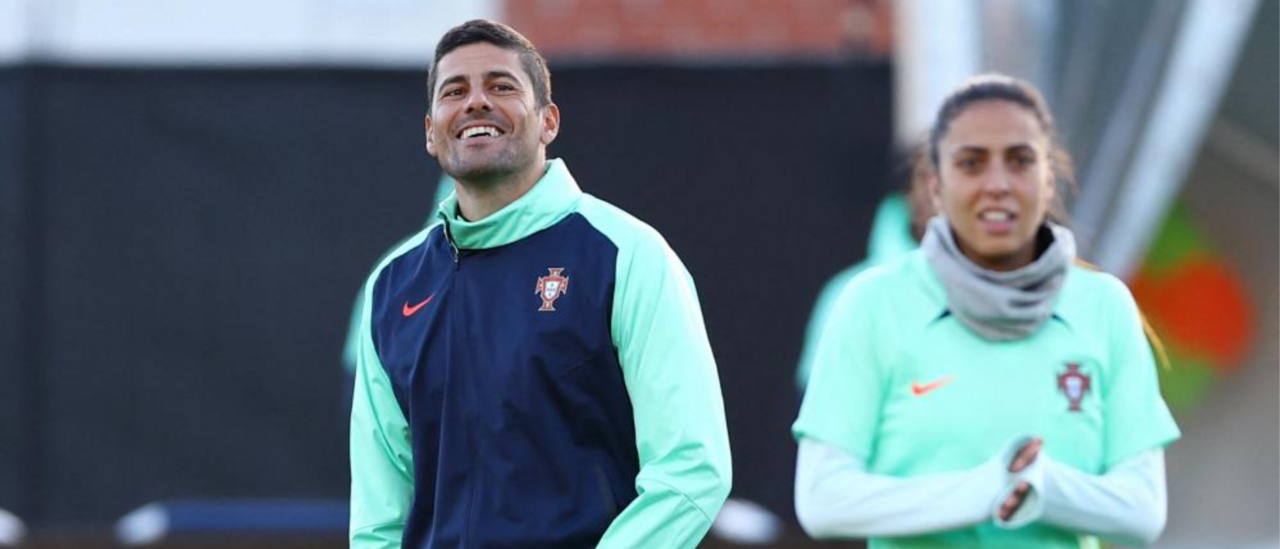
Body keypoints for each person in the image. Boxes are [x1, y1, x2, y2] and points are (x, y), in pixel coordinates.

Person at [348, 19, 732, 549]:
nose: (476, 102)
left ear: (548, 121)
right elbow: (378, 518)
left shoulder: (628, 256)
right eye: (454, 91)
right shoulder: (392, 285)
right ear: (431, 132)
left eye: (501, 86)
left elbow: (691, 469)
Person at [792, 74, 1180, 548]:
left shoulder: (1104, 305)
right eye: (971, 163)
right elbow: (823, 500)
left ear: (1048, 179)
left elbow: (1143, 511)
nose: (997, 184)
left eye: (1020, 160)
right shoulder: (871, 303)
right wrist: (981, 489)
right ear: (936, 187)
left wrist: (1042, 486)